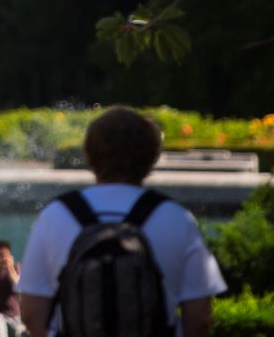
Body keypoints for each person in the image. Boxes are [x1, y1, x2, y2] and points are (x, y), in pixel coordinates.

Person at [18, 107, 225, 337]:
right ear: (152, 157)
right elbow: (199, 318)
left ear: (89, 154)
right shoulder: (176, 217)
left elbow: (31, 313)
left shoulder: (55, 215)